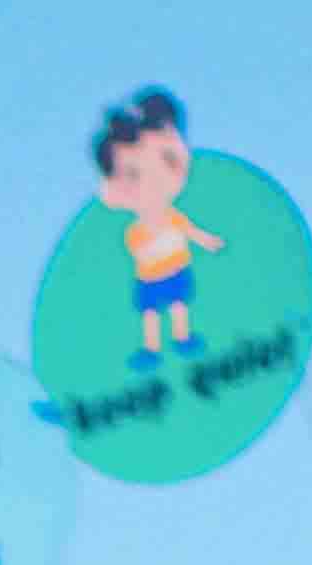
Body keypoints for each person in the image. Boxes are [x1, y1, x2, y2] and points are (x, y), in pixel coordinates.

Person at [93, 90, 223, 363]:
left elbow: (189, 230)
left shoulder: (171, 218)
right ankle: (151, 349)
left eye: (167, 161)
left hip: (175, 268)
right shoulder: (131, 232)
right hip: (148, 277)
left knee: (177, 306)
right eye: (132, 174)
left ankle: (182, 339)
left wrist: (208, 241)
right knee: (151, 313)